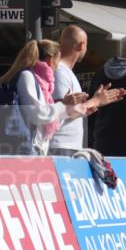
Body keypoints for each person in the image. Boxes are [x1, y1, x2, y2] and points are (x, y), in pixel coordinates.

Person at [0, 40, 122, 156]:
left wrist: (76, 109)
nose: (57, 67)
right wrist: (65, 106)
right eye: (57, 61)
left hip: (34, 149)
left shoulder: (40, 82)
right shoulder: (28, 77)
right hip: (24, 149)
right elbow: (38, 114)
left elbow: (48, 119)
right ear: (50, 61)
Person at [49, 25, 90, 156]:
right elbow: (61, 110)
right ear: (82, 45)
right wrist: (97, 101)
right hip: (61, 144)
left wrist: (87, 108)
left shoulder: (64, 71)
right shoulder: (60, 72)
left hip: (65, 144)